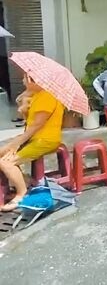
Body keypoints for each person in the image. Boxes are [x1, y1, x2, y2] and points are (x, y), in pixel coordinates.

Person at [0, 74, 64, 211]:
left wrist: (16, 143)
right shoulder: (37, 95)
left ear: (32, 80)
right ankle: (26, 181)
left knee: (6, 162)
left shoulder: (47, 97)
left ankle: (21, 194)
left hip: (45, 140)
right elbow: (29, 123)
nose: (23, 81)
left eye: (25, 78)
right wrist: (24, 108)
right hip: (33, 137)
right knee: (1, 153)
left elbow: (36, 125)